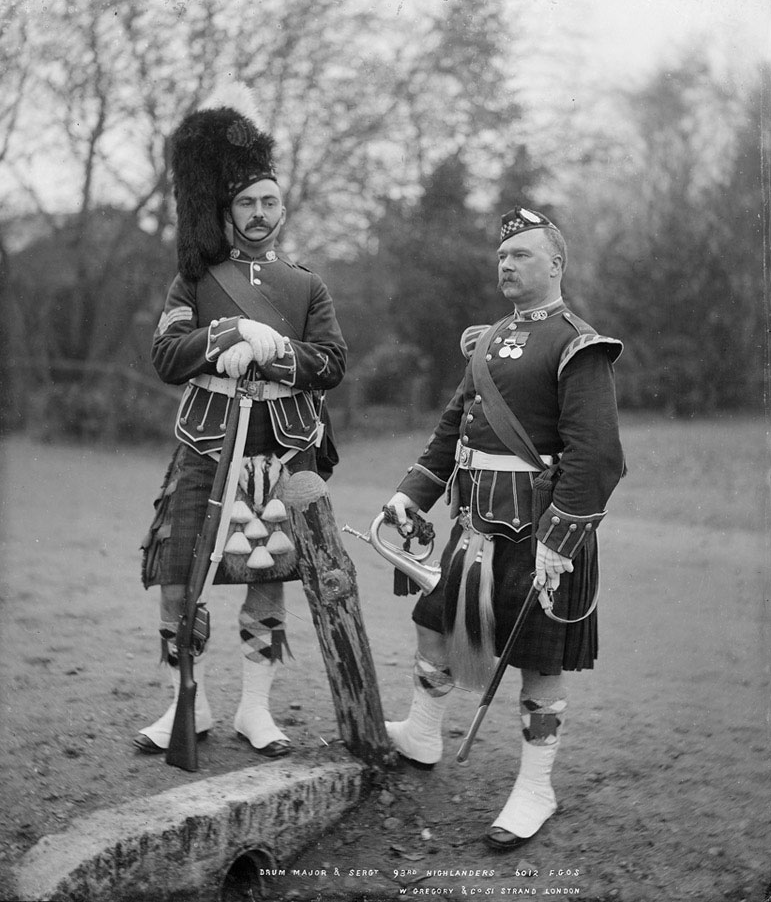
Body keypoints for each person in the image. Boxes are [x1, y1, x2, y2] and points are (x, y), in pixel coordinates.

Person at [385, 206, 624, 850]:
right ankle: (422, 731)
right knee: (435, 622)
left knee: (538, 661)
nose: (507, 264)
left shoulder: (579, 342)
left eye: (522, 253)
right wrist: (411, 497)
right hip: (474, 522)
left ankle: (535, 787)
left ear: (557, 264)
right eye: (502, 255)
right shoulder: (489, 340)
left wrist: (560, 539)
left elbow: (597, 454)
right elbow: (449, 433)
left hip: (540, 530)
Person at [136, 85, 346, 759]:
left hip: (281, 451)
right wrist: (226, 333)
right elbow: (167, 354)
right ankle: (182, 706)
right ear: (227, 208)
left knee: (267, 572)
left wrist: (279, 352)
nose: (259, 214)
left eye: (269, 202)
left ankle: (256, 709)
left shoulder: (305, 285)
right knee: (178, 573)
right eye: (247, 202)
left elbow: (332, 363)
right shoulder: (193, 281)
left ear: (283, 208)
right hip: (206, 443)